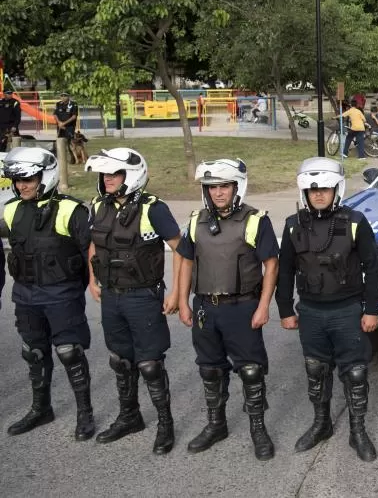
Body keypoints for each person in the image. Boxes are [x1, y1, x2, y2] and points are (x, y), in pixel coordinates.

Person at [275, 157, 378, 461]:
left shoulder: (355, 222)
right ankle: (321, 424)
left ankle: (357, 431)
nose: (318, 194)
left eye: (324, 188)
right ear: (304, 192)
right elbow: (284, 271)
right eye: (312, 190)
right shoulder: (293, 225)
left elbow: (372, 269)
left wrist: (371, 310)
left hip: (347, 310)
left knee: (356, 372)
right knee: (316, 369)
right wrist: (285, 309)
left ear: (337, 188)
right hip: (310, 311)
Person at [175, 158, 280, 460]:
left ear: (236, 187)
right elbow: (186, 261)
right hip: (206, 308)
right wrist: (183, 301)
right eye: (212, 187)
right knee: (210, 369)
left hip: (242, 307)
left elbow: (271, 265)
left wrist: (263, 307)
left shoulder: (256, 220)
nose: (218, 193)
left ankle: (258, 429)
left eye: (224, 186)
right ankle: (215, 424)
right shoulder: (196, 220)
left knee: (250, 371)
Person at [85, 148, 182, 454]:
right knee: (120, 360)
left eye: (115, 173)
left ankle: (166, 424)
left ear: (133, 175)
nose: (108, 179)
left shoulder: (154, 208)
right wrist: (92, 279)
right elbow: (93, 243)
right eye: (105, 174)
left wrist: (178, 292)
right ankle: (130, 416)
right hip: (112, 295)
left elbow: (180, 249)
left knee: (150, 364)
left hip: (143, 296)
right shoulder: (98, 204)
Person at [3, 147, 95, 440]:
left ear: (46, 176)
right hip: (25, 295)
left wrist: (95, 284)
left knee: (70, 353)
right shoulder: (11, 208)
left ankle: (85, 414)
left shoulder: (71, 209)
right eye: (17, 180)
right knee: (34, 353)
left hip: (62, 295)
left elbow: (91, 252)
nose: (22, 185)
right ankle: (41, 409)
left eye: (28, 179)